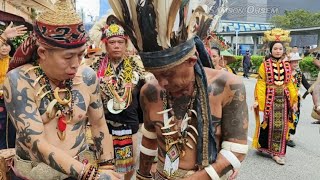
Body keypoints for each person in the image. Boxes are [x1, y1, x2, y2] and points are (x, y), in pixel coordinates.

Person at [3, 1, 122, 179]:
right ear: (42, 52)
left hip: (82, 170)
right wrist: (90, 175)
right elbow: (37, 143)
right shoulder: (19, 80)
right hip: (35, 175)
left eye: (81, 55)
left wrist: (106, 167)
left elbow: (98, 124)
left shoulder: (87, 77)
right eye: (68, 57)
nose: (76, 64)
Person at [89, 23, 146, 180]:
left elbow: (147, 81)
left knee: (131, 161)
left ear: (125, 44)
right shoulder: (96, 64)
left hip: (129, 118)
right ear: (106, 45)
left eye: (120, 42)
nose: (116, 46)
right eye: (112, 42)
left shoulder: (135, 62)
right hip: (104, 120)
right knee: (106, 161)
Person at [253, 41, 298, 165]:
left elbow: (290, 84)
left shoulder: (287, 66)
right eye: (275, 48)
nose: (278, 51)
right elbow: (261, 84)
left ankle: (277, 153)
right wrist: (258, 101)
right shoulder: (264, 65)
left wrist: (294, 101)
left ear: (283, 50)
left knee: (282, 126)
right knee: (271, 125)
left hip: (284, 99)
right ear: (271, 50)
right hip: (270, 99)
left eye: (280, 49)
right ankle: (270, 149)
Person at [287, 54, 311, 147]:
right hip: (286, 99)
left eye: (297, 62)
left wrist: (313, 92)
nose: (296, 63)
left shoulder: (299, 74)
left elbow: (306, 85)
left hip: (296, 100)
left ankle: (288, 135)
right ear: (289, 62)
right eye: (294, 61)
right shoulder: (285, 73)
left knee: (294, 118)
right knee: (286, 117)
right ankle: (286, 137)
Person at [0, 37, 17, 150]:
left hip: (11, 97)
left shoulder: (15, 62)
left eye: (7, 45)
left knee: (11, 125)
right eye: (2, 45)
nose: (4, 48)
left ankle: (11, 150)